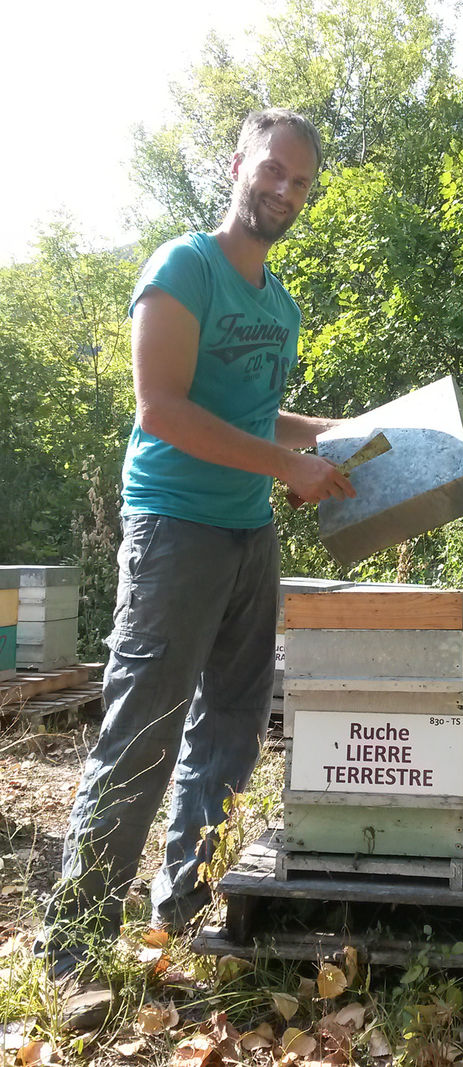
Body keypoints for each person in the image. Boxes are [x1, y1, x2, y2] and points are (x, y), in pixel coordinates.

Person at [35, 108, 356, 985]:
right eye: (273, 170)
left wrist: (330, 433)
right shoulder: (186, 267)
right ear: (237, 165)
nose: (285, 190)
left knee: (231, 731)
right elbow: (163, 409)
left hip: (250, 534)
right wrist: (287, 462)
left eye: (301, 182)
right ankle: (70, 951)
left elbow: (252, 415)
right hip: (175, 531)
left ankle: (179, 912)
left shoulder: (278, 302)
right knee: (142, 734)